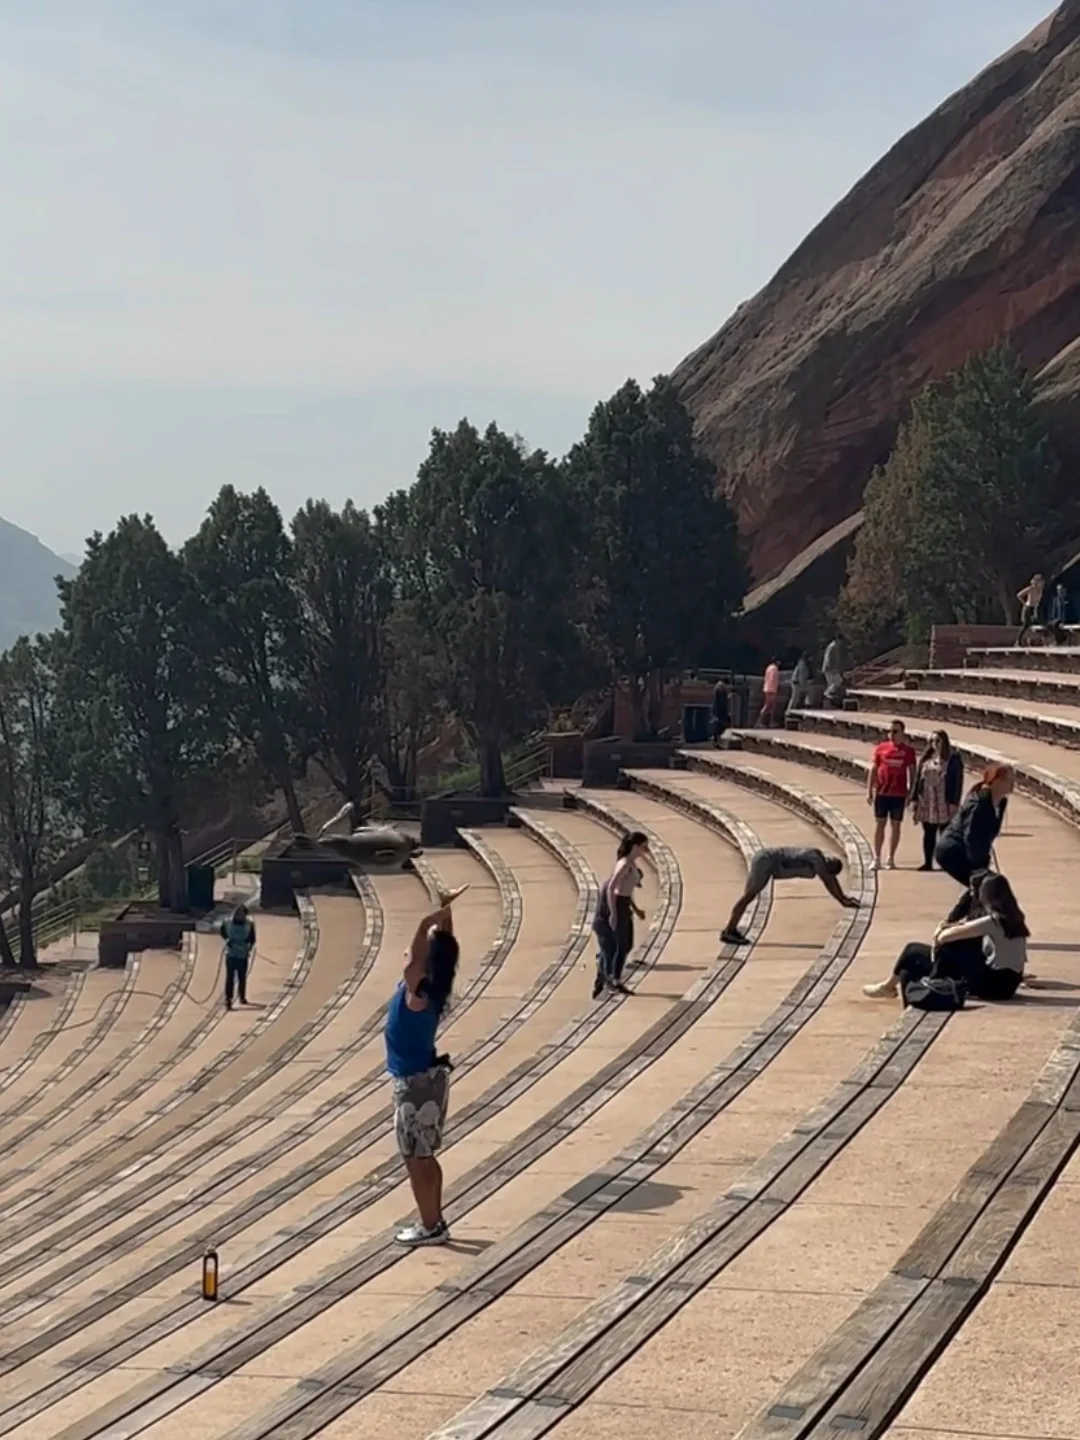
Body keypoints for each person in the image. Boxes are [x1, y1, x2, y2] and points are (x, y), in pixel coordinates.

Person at [386, 885, 468, 1247]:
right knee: (424, 1155)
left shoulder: (416, 989)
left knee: (415, 1159)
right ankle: (434, 1220)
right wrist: (445, 911)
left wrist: (427, 921)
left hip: (414, 1083)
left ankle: (429, 1224)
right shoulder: (432, 985)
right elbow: (441, 947)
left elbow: (416, 953)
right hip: (427, 1079)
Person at [863, 872, 1028, 1002]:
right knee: (910, 965)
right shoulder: (1015, 917)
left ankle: (893, 985)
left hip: (993, 985)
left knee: (915, 950)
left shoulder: (994, 920)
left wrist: (943, 931)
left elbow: (945, 937)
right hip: (1008, 984)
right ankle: (894, 985)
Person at [721, 846, 860, 946]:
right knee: (748, 897)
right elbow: (828, 881)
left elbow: (830, 879)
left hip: (768, 861)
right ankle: (729, 931)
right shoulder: (816, 856)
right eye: (830, 862)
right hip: (766, 860)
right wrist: (842, 900)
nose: (827, 865)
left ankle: (730, 930)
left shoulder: (820, 864)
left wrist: (843, 897)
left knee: (748, 897)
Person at [934, 763, 1013, 887]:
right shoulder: (980, 804)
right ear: (995, 781)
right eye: (1007, 779)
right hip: (953, 852)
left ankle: (964, 906)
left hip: (966, 851)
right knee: (988, 887)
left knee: (981, 890)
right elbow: (971, 837)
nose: (1011, 783)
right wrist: (980, 867)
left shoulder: (999, 803)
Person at [592, 831, 649, 999]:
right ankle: (611, 979)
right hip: (617, 905)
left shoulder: (631, 865)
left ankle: (614, 978)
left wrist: (635, 909)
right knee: (617, 945)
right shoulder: (624, 864)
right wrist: (613, 913)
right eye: (644, 847)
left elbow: (627, 890)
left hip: (624, 904)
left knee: (626, 944)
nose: (646, 851)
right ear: (635, 847)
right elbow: (612, 888)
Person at [867, 720, 917, 870]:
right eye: (890, 731)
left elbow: (912, 774)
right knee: (880, 824)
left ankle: (891, 858)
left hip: (899, 794)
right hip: (882, 792)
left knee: (896, 825)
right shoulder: (881, 748)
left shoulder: (908, 752)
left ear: (902, 733)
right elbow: (874, 770)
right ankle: (876, 858)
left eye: (895, 731)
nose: (892, 734)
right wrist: (869, 791)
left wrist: (911, 793)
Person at [911, 730, 964, 872]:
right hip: (928, 800)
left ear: (944, 741)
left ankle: (947, 862)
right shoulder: (926, 758)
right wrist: (914, 799)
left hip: (944, 800)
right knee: (928, 833)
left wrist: (954, 802)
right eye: (932, 741)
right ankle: (928, 862)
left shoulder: (953, 759)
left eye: (938, 740)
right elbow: (918, 780)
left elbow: (957, 781)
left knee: (945, 834)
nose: (935, 744)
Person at [219, 904, 256, 1009]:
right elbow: (222, 932)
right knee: (234, 977)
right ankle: (232, 998)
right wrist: (228, 940)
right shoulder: (230, 923)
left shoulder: (246, 925)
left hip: (238, 954)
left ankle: (238, 997)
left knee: (238, 977)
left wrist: (248, 947)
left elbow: (252, 939)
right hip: (234, 954)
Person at [1016, 573, 1046, 645]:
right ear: (1036, 582)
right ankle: (1018, 642)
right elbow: (1019, 595)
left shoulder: (1041, 590)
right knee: (1026, 625)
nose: (1041, 583)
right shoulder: (1031, 588)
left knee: (1041, 622)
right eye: (1040, 582)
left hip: (1035, 608)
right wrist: (1025, 603)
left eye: (1042, 582)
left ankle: (1043, 640)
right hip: (1028, 608)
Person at [757, 658, 781, 728]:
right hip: (771, 689)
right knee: (768, 706)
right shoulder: (774, 669)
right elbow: (772, 680)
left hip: (767, 688)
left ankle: (771, 721)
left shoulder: (769, 667)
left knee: (772, 707)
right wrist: (773, 690)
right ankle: (760, 721)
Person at [822, 637, 846, 706]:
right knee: (836, 681)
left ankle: (829, 695)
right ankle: (827, 693)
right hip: (829, 668)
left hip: (831, 668)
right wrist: (832, 668)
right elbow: (829, 658)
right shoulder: (833, 647)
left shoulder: (833, 646)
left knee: (836, 682)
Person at [787, 652, 811, 718]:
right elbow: (801, 675)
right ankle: (789, 712)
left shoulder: (802, 663)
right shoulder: (802, 664)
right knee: (795, 698)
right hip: (797, 683)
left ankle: (793, 711)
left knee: (797, 698)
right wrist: (802, 684)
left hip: (798, 682)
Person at [710, 679, 730, 747]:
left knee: (717, 725)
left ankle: (716, 740)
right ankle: (718, 741)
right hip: (721, 710)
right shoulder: (721, 688)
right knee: (720, 725)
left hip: (716, 709)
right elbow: (722, 702)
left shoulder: (717, 687)